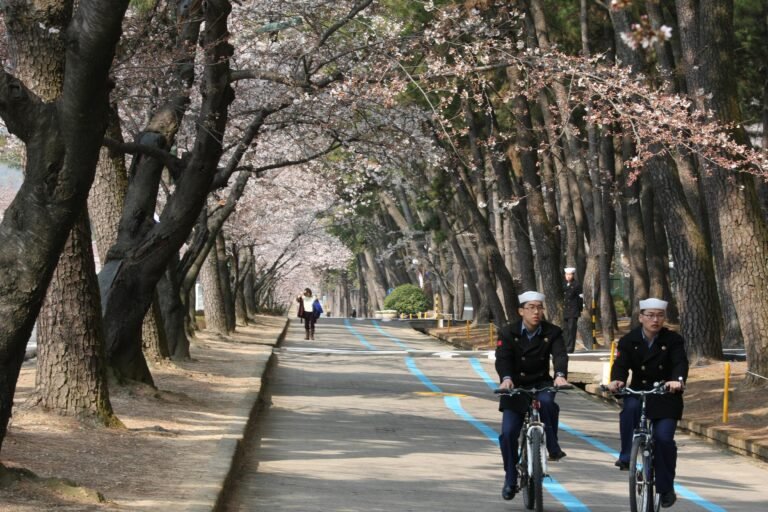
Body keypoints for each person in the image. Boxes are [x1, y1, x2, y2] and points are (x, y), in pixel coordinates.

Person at [608, 298, 688, 509]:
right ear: (641, 317)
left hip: (665, 394)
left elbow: (680, 362)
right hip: (640, 390)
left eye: (659, 315)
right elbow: (621, 365)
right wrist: (616, 381)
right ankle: (627, 455)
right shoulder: (629, 340)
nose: (655, 320)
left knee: (663, 439)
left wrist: (676, 381)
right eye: (650, 315)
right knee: (630, 408)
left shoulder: (673, 340)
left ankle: (666, 488)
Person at [495, 291, 570, 501]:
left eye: (539, 307)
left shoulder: (552, 332)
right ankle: (510, 477)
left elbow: (560, 355)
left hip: (540, 383)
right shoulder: (508, 332)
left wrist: (560, 376)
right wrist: (506, 378)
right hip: (515, 386)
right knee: (508, 433)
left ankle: (553, 447)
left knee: (548, 403)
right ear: (521, 311)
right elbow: (502, 359)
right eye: (531, 308)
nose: (536, 312)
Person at [563, 267, 583, 353]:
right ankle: (565, 346)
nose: (568, 276)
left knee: (572, 330)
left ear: (573, 275)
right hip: (566, 311)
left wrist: (579, 309)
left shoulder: (577, 285)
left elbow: (580, 298)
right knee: (566, 330)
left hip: (573, 310)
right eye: (567, 274)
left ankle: (570, 348)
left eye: (570, 274)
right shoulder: (564, 284)